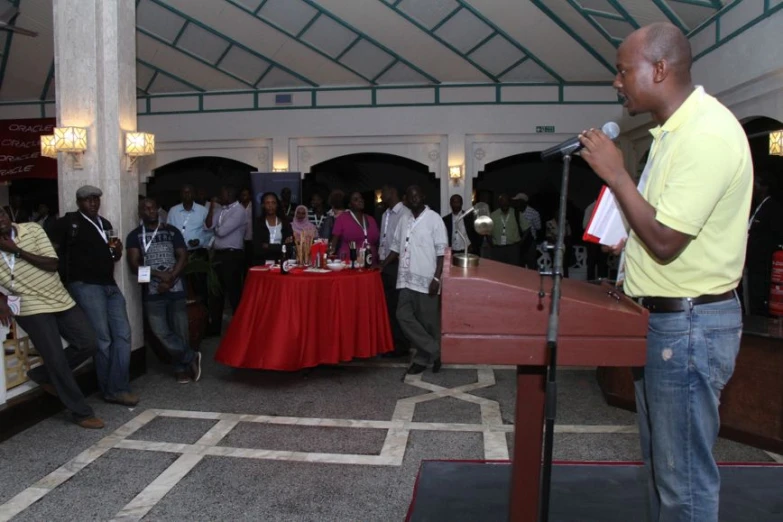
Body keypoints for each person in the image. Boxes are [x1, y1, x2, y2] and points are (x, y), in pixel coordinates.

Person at [578, 22, 752, 522]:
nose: (617, 82)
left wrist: (616, 174)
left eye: (622, 70)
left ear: (659, 68)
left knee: (684, 484)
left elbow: (666, 241)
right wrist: (626, 240)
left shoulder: (707, 134)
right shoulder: (670, 133)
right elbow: (654, 225)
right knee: (662, 471)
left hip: (689, 327)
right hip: (660, 322)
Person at [0, 207, 104, 429]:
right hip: (29, 305)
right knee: (56, 359)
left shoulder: (32, 230)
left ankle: (41, 374)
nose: (1, 218)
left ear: (9, 215)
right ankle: (80, 412)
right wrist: (1, 300)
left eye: (2, 213)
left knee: (89, 343)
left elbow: (51, 264)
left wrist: (16, 251)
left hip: (59, 297)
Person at [48, 185, 138, 407]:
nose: (93, 203)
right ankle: (112, 390)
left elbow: (113, 255)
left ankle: (118, 385)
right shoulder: (68, 223)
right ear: (79, 202)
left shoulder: (104, 224)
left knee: (123, 334)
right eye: (88, 200)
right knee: (103, 339)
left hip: (109, 285)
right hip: (86, 285)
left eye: (96, 199)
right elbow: (51, 251)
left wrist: (116, 251)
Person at [126, 198, 202, 384]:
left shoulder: (171, 231)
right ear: (140, 213)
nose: (150, 211)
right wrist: (158, 275)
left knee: (180, 331)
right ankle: (190, 356)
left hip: (175, 288)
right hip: (152, 292)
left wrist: (170, 279)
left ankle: (180, 368)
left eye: (153, 207)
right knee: (160, 332)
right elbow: (134, 264)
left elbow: (183, 257)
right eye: (146, 208)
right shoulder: (135, 235)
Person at [381, 186, 448, 375]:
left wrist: (437, 278)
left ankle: (422, 359)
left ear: (423, 196)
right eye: (411, 196)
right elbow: (395, 246)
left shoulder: (434, 219)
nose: (415, 198)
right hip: (405, 279)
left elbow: (442, 252)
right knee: (403, 316)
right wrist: (383, 265)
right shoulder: (404, 219)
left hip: (427, 279)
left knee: (428, 322)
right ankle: (435, 350)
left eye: (418, 195)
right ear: (406, 200)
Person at [379, 184, 411, 358]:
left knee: (397, 307)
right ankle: (391, 343)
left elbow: (399, 245)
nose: (381, 195)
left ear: (392, 192)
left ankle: (401, 346)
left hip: (396, 265)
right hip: (385, 264)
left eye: (383, 192)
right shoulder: (386, 214)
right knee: (388, 307)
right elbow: (385, 241)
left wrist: (384, 264)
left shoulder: (404, 214)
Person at [744, 171, 783, 316]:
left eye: (756, 184)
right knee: (752, 295)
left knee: (760, 295)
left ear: (764, 187)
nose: (753, 188)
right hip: (752, 263)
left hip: (763, 264)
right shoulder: (756, 207)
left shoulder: (772, 208)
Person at [205, 185, 247, 318]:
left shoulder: (239, 210)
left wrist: (215, 228)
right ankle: (215, 327)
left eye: (221, 193)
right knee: (216, 292)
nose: (218, 197)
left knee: (233, 291)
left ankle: (238, 323)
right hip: (218, 255)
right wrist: (212, 207)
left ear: (229, 194)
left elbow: (221, 232)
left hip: (232, 255)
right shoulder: (220, 210)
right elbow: (207, 226)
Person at [330, 191, 380, 265]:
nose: (360, 200)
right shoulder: (342, 219)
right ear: (350, 204)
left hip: (371, 264)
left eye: (361, 198)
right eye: (356, 199)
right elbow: (333, 244)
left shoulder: (371, 219)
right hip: (349, 264)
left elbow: (377, 243)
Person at [489, 194, 531, 266]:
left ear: (509, 202)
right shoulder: (493, 215)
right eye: (502, 202)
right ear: (499, 203)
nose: (505, 204)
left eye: (506, 202)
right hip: (498, 249)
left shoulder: (516, 213)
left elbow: (527, 229)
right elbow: (487, 231)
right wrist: (491, 243)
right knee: (498, 270)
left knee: (513, 271)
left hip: (513, 249)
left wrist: (520, 242)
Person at [253, 192, 293, 264]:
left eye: (273, 203)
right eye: (267, 203)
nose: (270, 205)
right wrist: (280, 247)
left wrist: (267, 246)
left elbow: (288, 249)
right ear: (263, 205)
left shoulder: (285, 224)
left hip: (281, 264)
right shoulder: (258, 223)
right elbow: (257, 249)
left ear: (277, 205)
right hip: (262, 264)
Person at [240, 188, 254, 272]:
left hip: (250, 239)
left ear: (249, 196)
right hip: (239, 240)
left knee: (250, 263)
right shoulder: (237, 207)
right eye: (242, 195)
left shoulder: (254, 207)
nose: (243, 196)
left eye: (245, 194)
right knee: (242, 264)